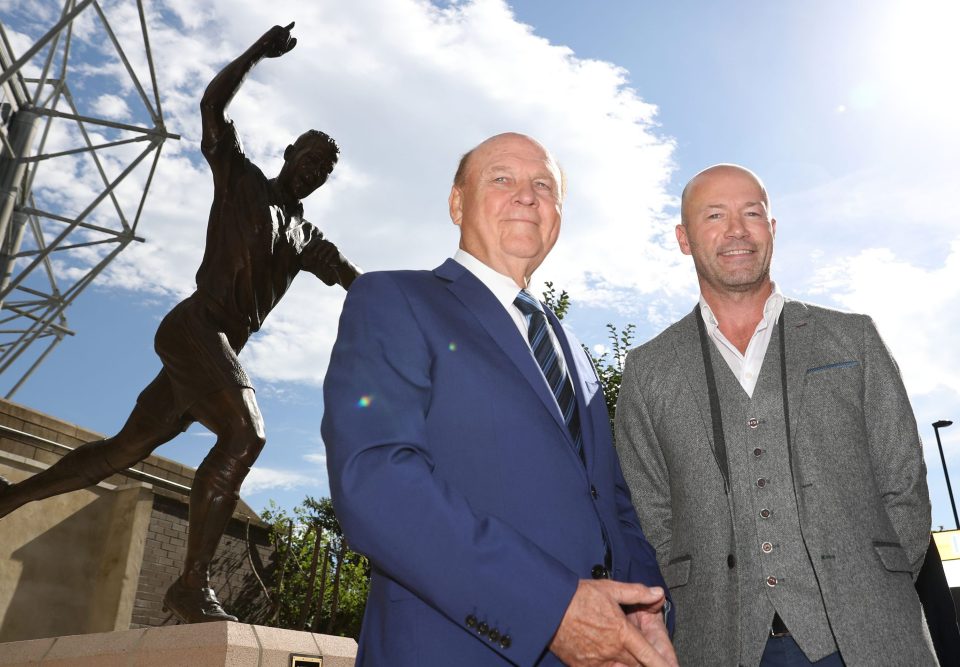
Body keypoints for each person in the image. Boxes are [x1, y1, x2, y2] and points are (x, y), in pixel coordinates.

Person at [0, 23, 360, 624]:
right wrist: (256, 53)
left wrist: (361, 281)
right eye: (309, 159)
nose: (314, 172)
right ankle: (191, 584)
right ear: (289, 156)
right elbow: (211, 104)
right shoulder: (240, 179)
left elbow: (359, 284)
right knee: (246, 437)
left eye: (323, 169)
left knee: (125, 449)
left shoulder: (306, 238)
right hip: (196, 327)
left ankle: (10, 497)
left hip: (218, 348)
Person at [321, 132, 677, 666]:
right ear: (457, 203)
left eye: (544, 185)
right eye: (502, 178)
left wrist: (645, 607)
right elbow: (376, 481)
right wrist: (550, 609)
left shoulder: (572, 351)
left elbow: (613, 504)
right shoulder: (393, 299)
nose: (527, 195)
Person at [614, 164, 937, 666]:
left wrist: (873, 581)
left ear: (773, 228)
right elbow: (650, 509)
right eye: (714, 215)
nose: (737, 230)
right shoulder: (648, 369)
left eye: (752, 213)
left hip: (871, 638)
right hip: (720, 645)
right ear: (683, 238)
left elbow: (903, 484)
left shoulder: (854, 338)